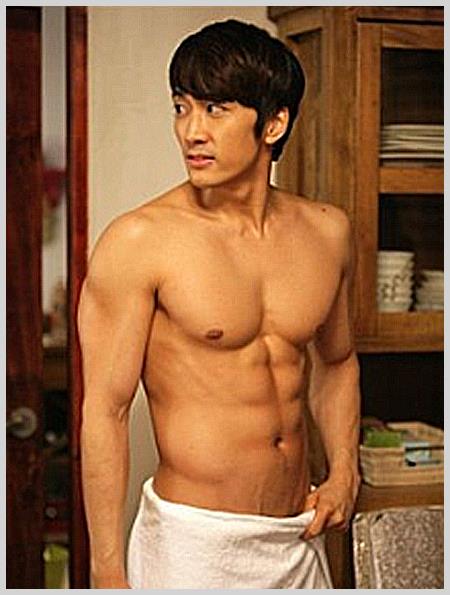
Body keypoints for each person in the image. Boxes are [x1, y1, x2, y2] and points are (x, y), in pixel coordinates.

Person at [78, 19, 361, 589]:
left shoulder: (327, 232)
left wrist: (344, 473)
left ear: (273, 123)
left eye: (215, 110)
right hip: (191, 544)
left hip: (298, 535)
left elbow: (336, 363)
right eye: (181, 108)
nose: (191, 131)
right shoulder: (139, 241)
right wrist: (106, 569)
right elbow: (105, 411)